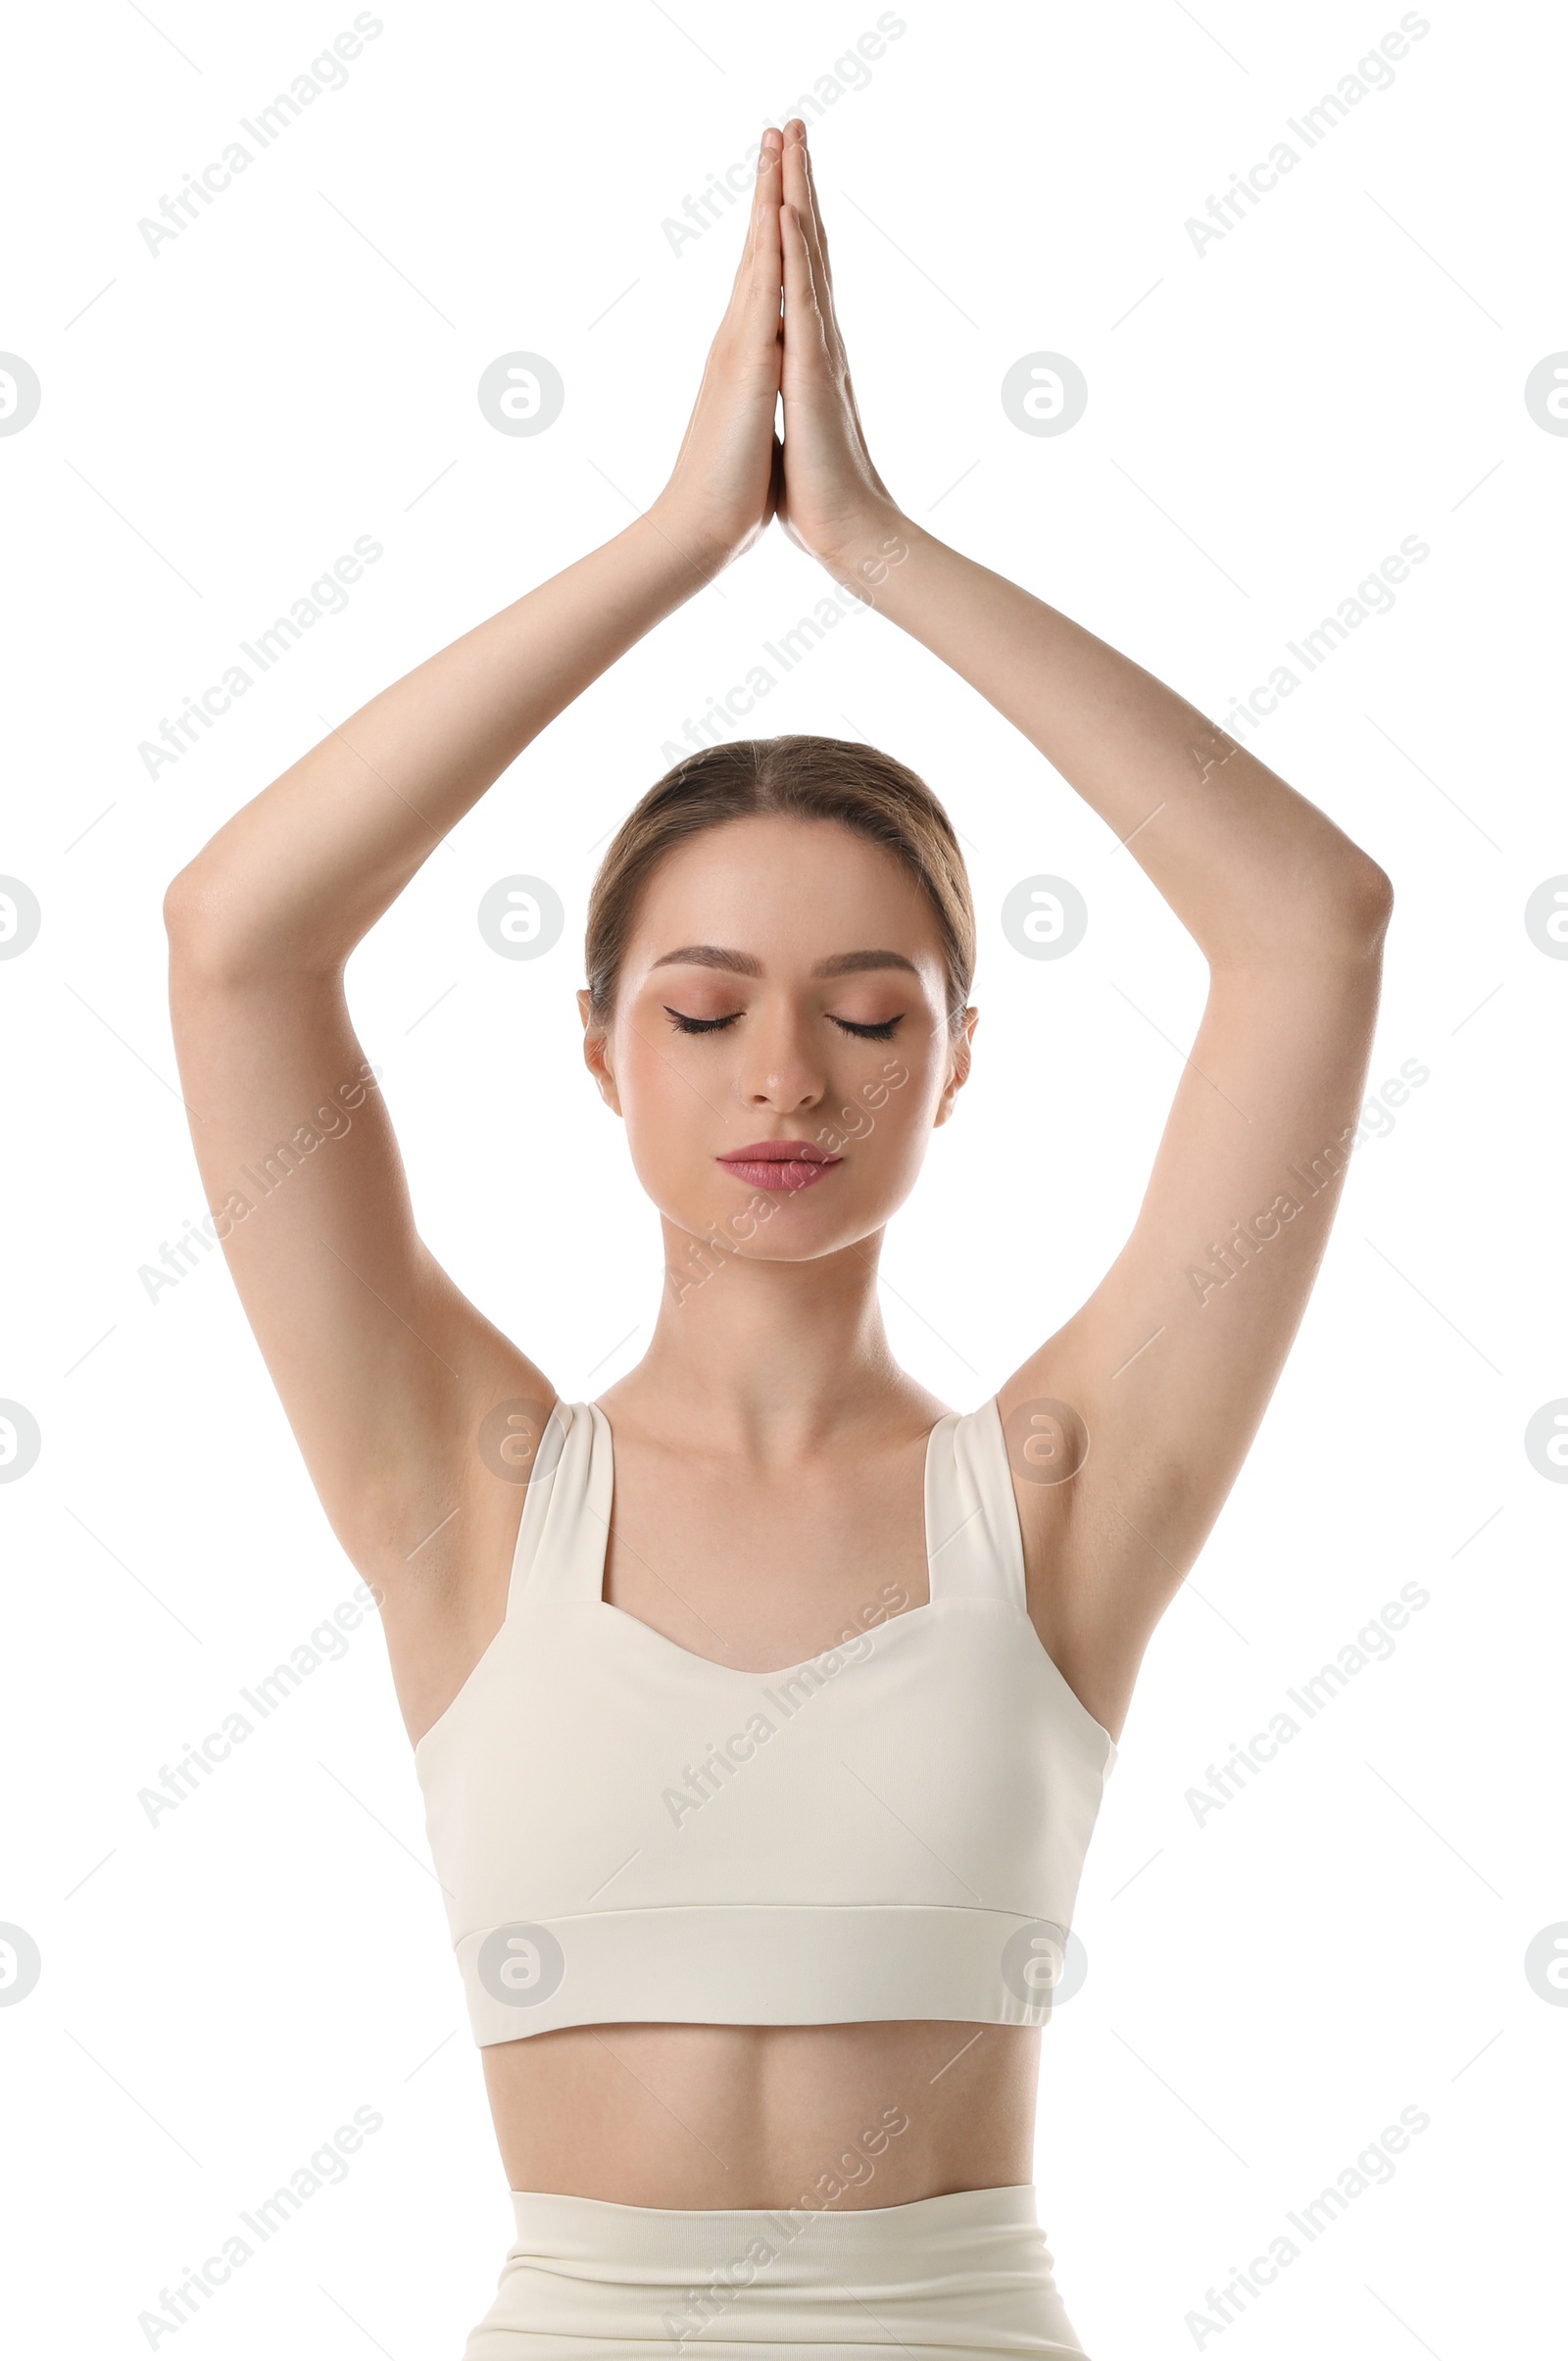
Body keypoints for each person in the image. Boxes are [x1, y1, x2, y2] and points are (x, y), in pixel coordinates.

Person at [164, 117, 1391, 2360]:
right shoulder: (467, 1493)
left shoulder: (1055, 1500)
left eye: (864, 1009)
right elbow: (237, 938)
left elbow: (1310, 929)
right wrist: (667, 543)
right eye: (705, 1007)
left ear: (953, 1057)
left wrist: (877, 550)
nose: (783, 1080)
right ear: (600, 1046)